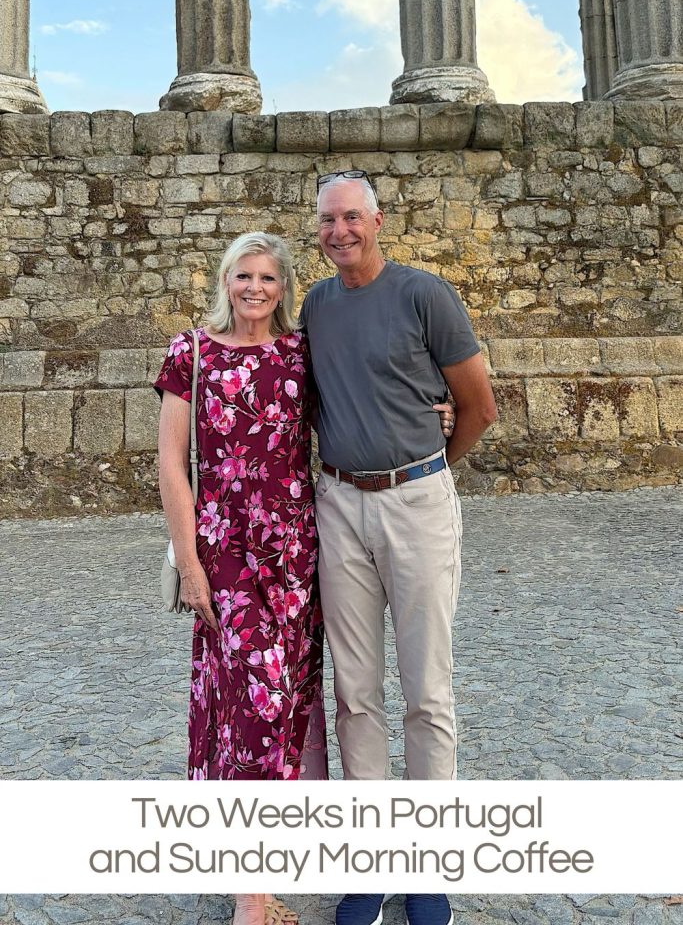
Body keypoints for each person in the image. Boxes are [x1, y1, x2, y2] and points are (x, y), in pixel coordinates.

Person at [300, 170, 498, 925]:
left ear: (377, 219)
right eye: (326, 220)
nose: (339, 231)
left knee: (426, 688)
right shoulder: (316, 305)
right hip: (338, 502)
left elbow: (477, 404)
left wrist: (429, 472)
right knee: (353, 689)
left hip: (416, 498)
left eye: (351, 216)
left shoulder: (425, 295)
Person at [155, 232, 326, 925]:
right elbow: (170, 464)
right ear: (224, 281)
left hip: (292, 554)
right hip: (223, 553)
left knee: (282, 707)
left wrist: (431, 413)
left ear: (283, 288)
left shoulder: (299, 353)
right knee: (249, 707)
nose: (255, 288)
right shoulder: (190, 353)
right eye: (243, 275)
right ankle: (251, 900)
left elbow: (364, 400)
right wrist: (189, 562)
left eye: (268, 278)